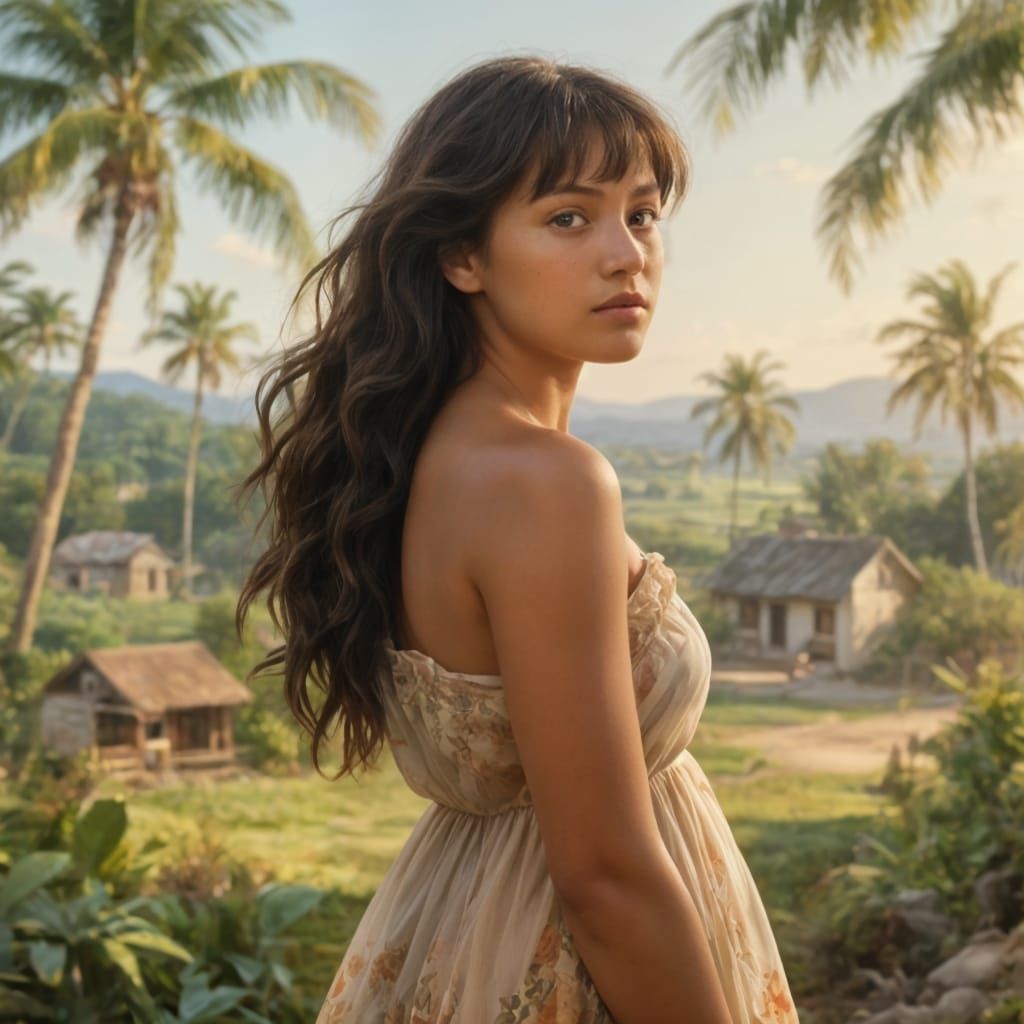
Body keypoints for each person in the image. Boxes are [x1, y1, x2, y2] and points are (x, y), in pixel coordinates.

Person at [236, 55, 798, 1024]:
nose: (626, 253)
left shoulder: (426, 457)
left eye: (643, 212)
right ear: (462, 255)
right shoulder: (546, 485)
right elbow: (605, 873)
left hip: (458, 929)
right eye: (568, 217)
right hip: (565, 966)